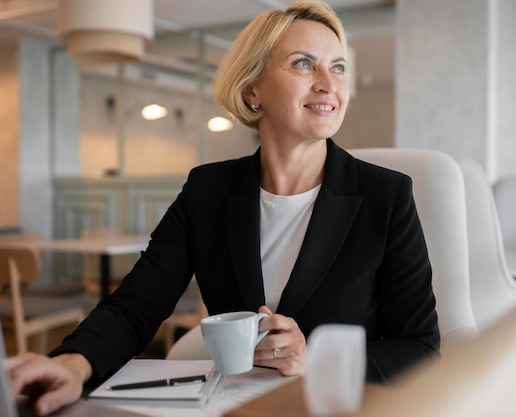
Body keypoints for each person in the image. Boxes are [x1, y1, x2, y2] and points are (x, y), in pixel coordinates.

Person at [7, 1, 439, 415]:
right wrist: (73, 363)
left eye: (338, 66)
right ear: (253, 90)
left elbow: (420, 347)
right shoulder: (207, 190)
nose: (328, 83)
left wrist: (316, 359)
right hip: (234, 407)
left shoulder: (388, 196)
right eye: (304, 64)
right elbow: (135, 306)